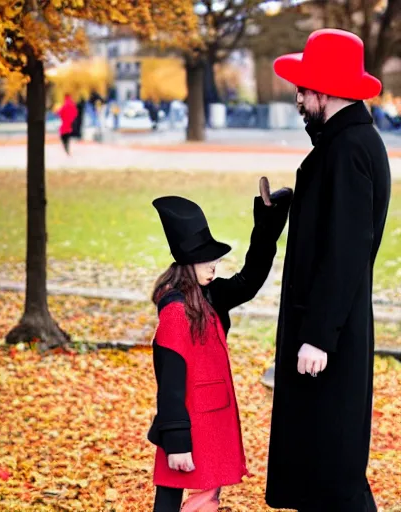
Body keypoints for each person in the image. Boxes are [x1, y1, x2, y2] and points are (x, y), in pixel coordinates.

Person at [265, 28, 391, 512]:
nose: (298, 99)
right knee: (321, 469)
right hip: (327, 330)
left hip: (329, 337)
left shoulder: (350, 149)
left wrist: (318, 335)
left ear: (325, 92)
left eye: (303, 90)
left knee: (334, 474)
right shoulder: (342, 146)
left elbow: (347, 250)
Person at [148, 183, 292, 512]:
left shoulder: (209, 294)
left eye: (215, 260)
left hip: (212, 419)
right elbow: (169, 387)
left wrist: (268, 224)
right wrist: (176, 441)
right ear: (187, 263)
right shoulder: (174, 312)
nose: (214, 267)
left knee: (208, 498)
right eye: (206, 261)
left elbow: (250, 278)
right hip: (188, 422)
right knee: (172, 494)